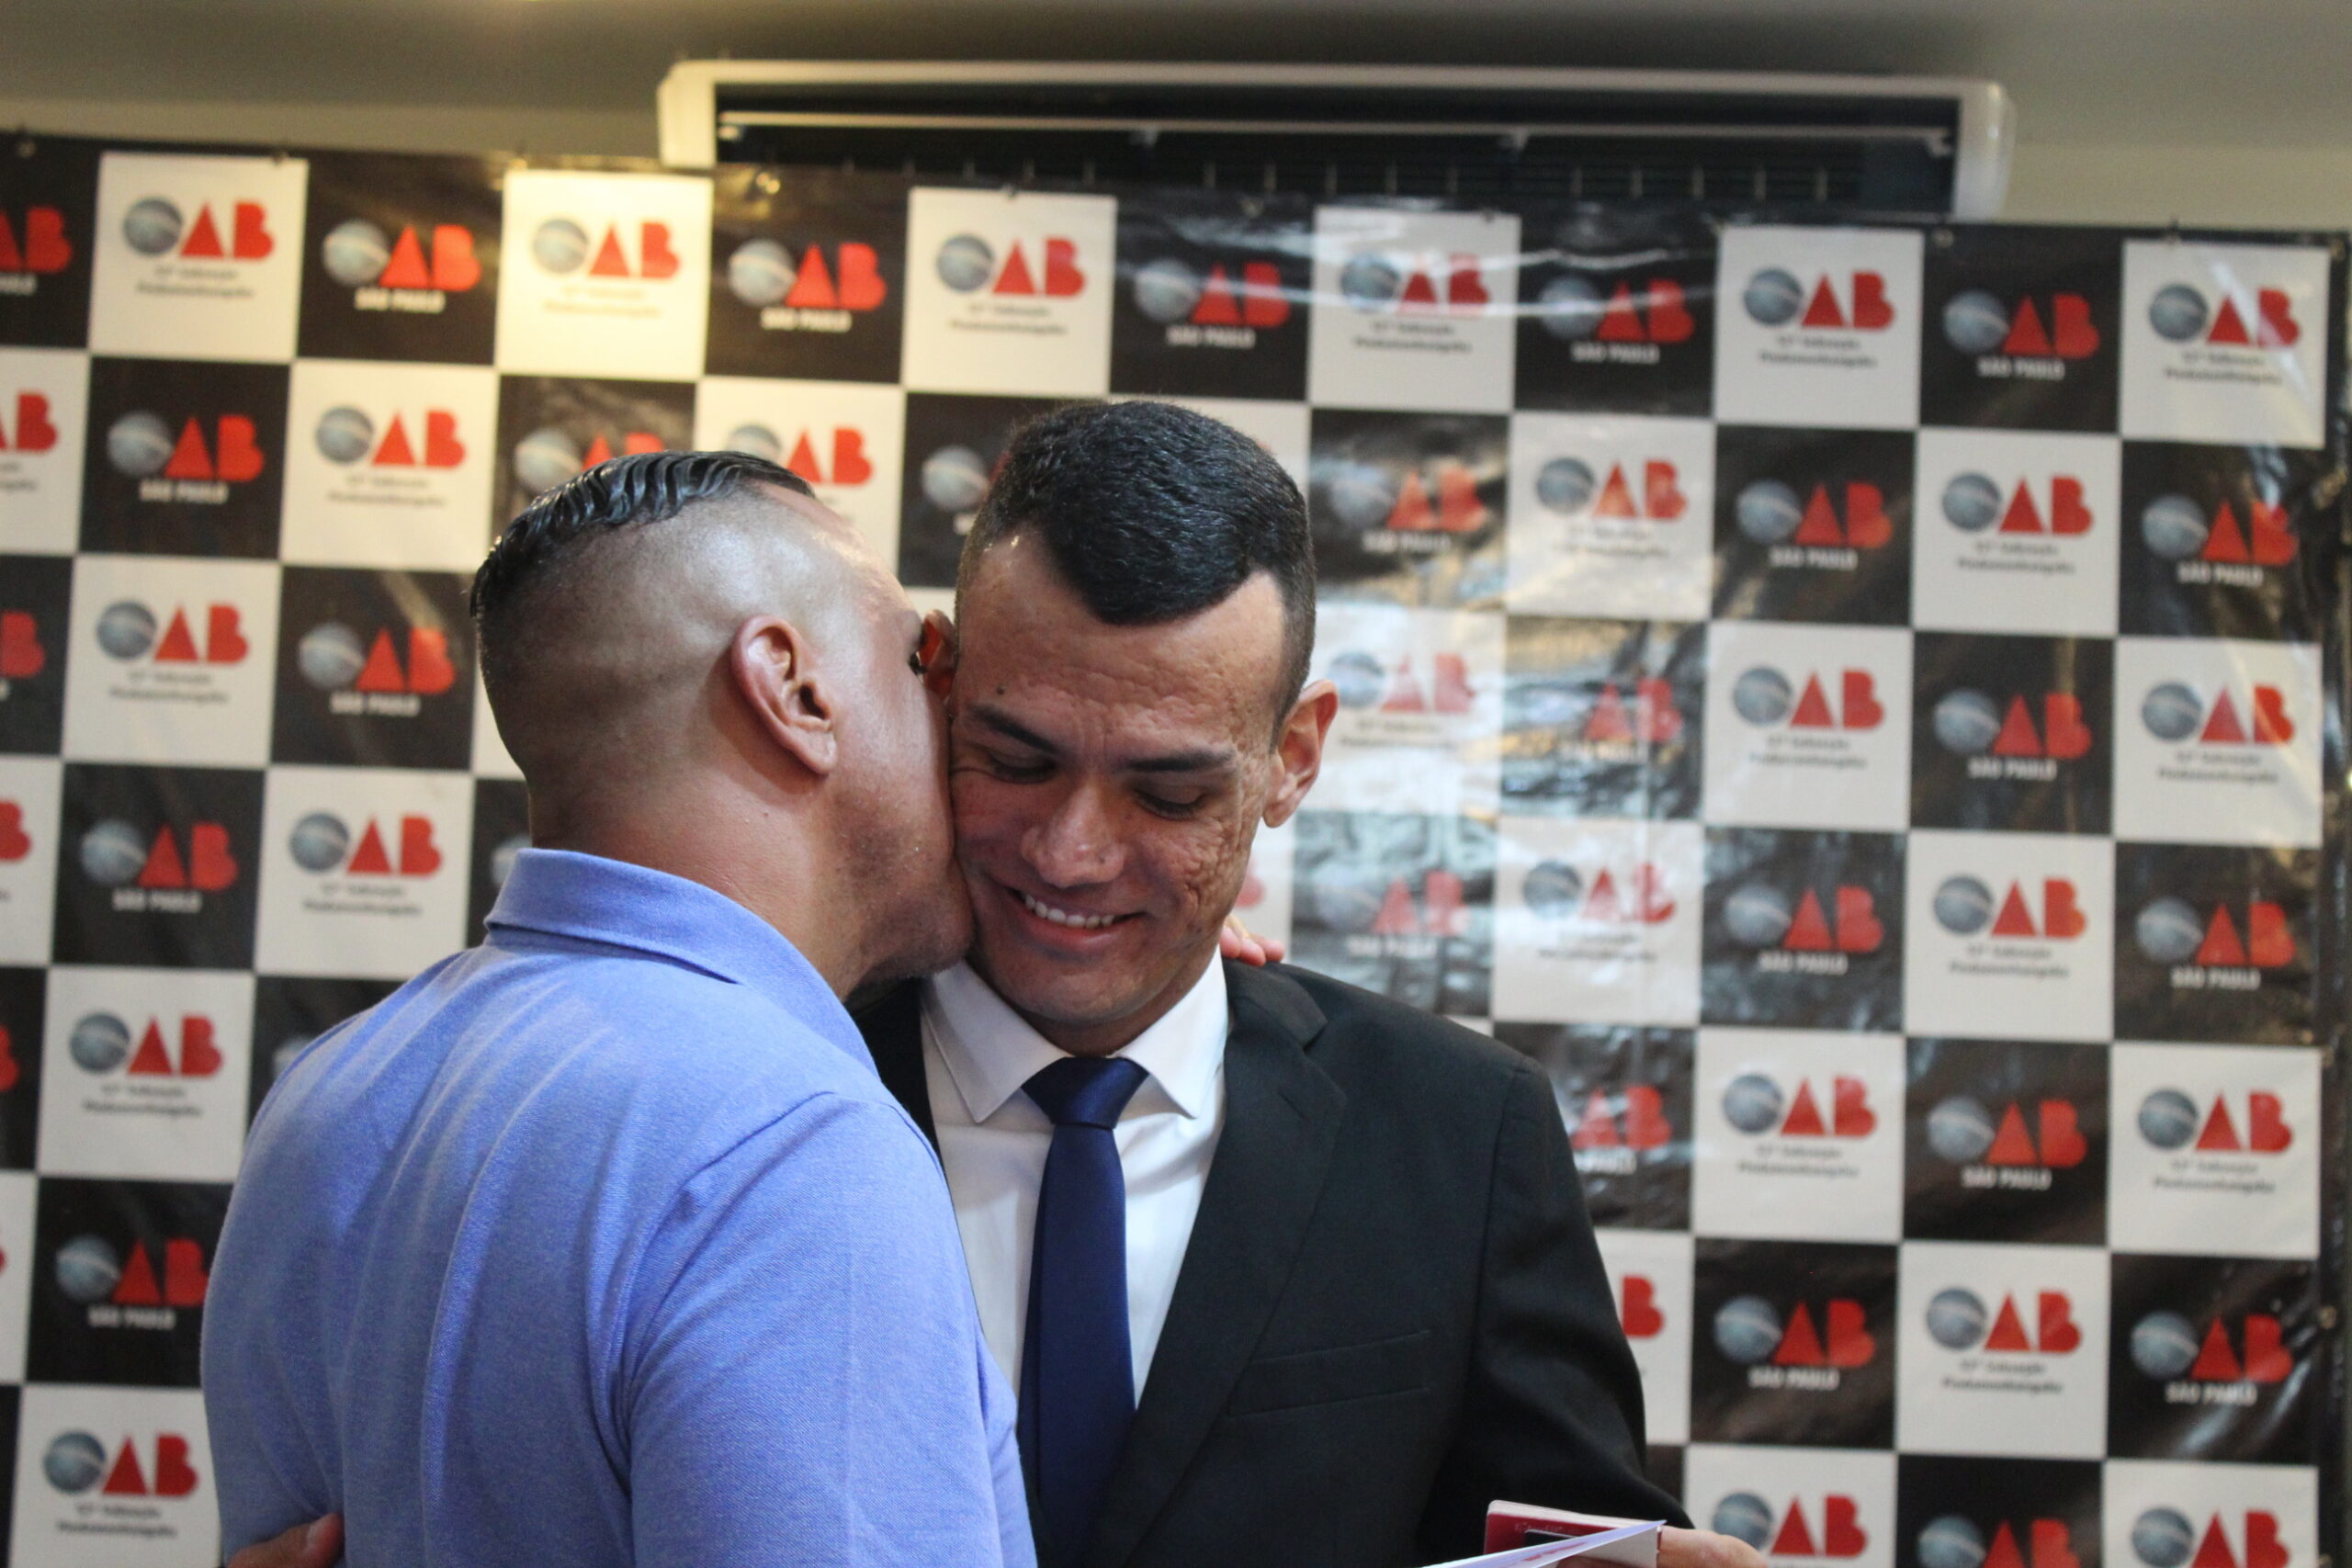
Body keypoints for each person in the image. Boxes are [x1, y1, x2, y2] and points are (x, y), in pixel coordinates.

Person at [232, 404, 1767, 1568]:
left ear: (1293, 758)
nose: (1073, 849)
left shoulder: (1455, 1131)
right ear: (939, 684)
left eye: (1169, 789)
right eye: (1015, 756)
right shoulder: (773, 1103)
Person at [202, 453, 1034, 1568]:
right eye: (922, 656)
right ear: (792, 690)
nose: (959, 709)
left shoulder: (331, 1088)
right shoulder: (792, 1143)